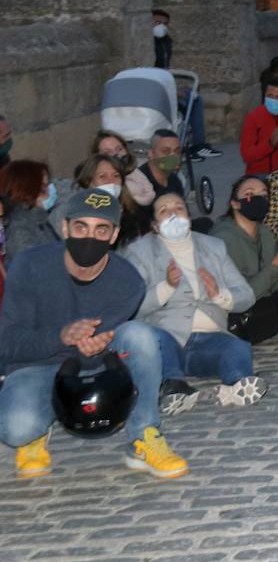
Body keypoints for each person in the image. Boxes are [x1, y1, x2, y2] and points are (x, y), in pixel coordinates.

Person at [0, 188, 188, 479]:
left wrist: (101, 343)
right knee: (16, 429)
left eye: (101, 230)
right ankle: (37, 431)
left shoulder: (128, 281)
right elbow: (7, 343)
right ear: (64, 228)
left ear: (114, 236)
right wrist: (61, 336)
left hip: (99, 361)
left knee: (140, 335)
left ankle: (144, 436)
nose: (90, 237)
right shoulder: (28, 266)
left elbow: (109, 335)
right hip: (38, 365)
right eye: (80, 227)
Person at [125, 193, 260, 413]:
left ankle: (237, 385)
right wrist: (167, 286)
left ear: (188, 216)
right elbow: (132, 308)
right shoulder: (139, 253)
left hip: (209, 340)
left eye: (179, 208)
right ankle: (174, 387)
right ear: (155, 226)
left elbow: (246, 295)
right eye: (164, 210)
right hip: (167, 339)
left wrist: (219, 295)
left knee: (236, 347)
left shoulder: (214, 246)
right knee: (155, 339)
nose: (173, 214)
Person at [214, 175, 278, 345]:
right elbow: (241, 297)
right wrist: (277, 266)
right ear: (235, 203)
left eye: (264, 195)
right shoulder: (224, 239)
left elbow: (270, 287)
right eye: (250, 193)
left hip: (258, 304)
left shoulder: (263, 232)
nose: (258, 199)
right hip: (235, 320)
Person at [0, 159, 58, 259]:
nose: (49, 193)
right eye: (43, 188)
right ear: (27, 190)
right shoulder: (19, 228)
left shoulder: (40, 218)